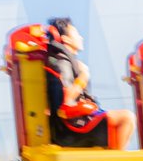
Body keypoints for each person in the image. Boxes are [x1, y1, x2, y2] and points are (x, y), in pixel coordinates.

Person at [47, 17, 135, 150]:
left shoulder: (65, 61)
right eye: (76, 34)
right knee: (126, 118)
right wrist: (84, 75)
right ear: (66, 39)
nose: (81, 37)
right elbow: (67, 100)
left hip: (72, 126)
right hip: (72, 130)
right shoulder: (62, 62)